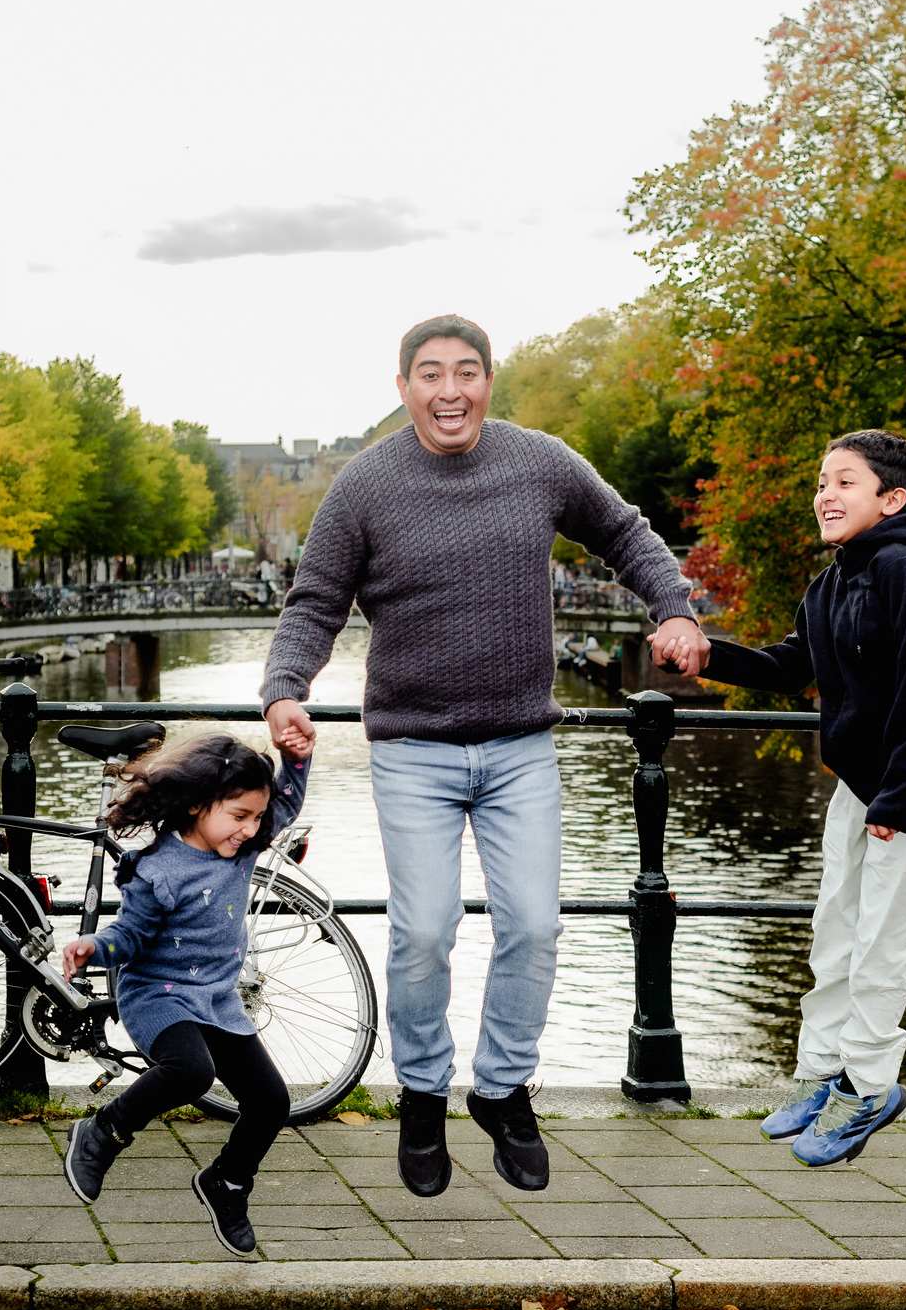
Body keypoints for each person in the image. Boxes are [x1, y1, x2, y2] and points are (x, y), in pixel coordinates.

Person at [261, 313, 710, 1200]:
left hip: (518, 744)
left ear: (488, 382)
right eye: (431, 374)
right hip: (414, 750)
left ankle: (503, 1090)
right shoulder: (364, 487)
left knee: (536, 929)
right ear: (404, 388)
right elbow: (315, 600)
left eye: (467, 372)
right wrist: (284, 688)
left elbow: (624, 532)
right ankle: (424, 1096)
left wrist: (677, 607)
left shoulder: (540, 461)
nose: (450, 390)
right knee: (424, 933)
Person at [703, 429, 906, 1165]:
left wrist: (901, 798)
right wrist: (709, 653)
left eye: (845, 482)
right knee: (835, 931)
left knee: (883, 943)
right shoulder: (832, 582)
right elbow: (796, 667)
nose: (826, 493)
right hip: (862, 782)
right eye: (822, 480)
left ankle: (869, 1087)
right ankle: (822, 1073)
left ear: (892, 499)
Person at [59, 733, 310, 1256]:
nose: (251, 829)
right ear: (198, 805)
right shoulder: (157, 871)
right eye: (239, 815)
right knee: (191, 1072)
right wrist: (93, 947)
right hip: (157, 995)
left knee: (270, 1102)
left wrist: (297, 758)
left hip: (216, 996)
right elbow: (127, 938)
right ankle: (102, 1132)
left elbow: (285, 803)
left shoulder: (243, 846)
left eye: (256, 818)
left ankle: (228, 1182)